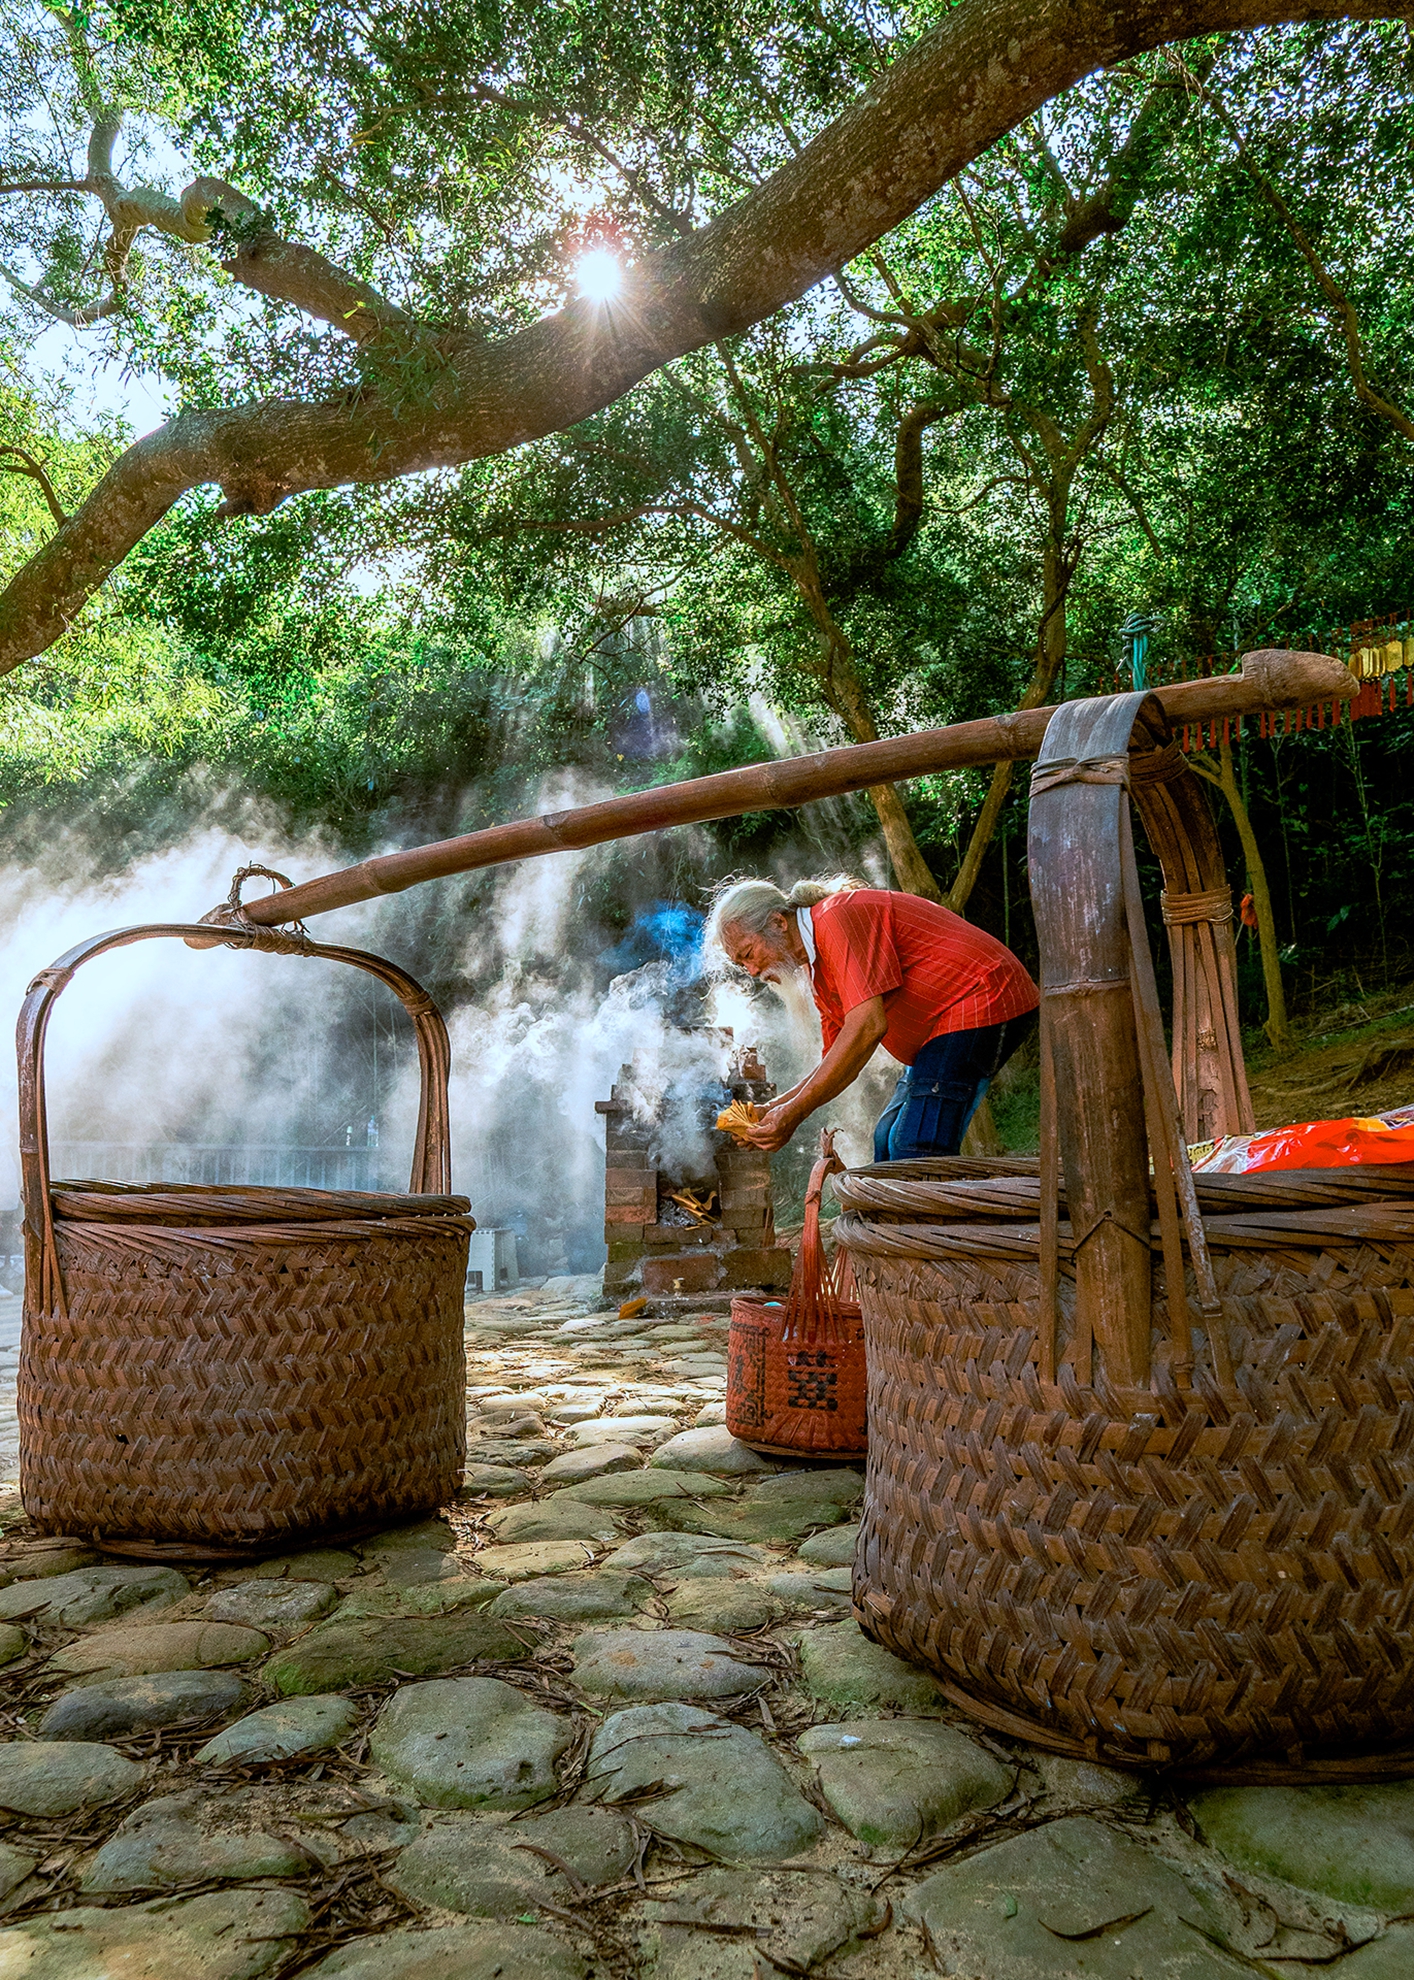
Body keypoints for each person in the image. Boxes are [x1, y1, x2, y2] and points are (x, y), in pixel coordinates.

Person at [705, 876, 1038, 1160]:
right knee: (886, 1139)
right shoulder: (817, 968)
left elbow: (867, 1026)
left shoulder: (834, 918)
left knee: (914, 1146)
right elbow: (836, 1060)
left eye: (749, 954)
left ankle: (932, 1218)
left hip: (983, 996)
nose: (753, 971)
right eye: (741, 965)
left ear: (778, 922)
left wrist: (793, 1113)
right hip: (943, 1027)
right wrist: (774, 1108)